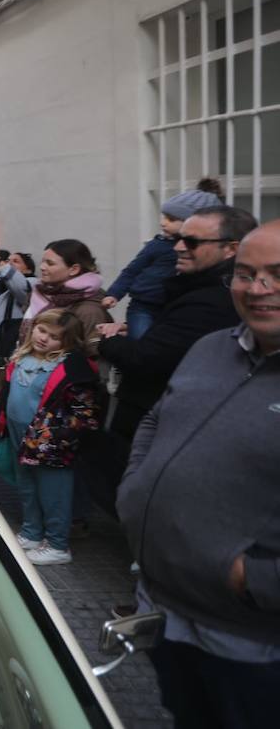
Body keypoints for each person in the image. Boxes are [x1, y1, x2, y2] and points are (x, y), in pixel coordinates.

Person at [116, 220, 280, 726]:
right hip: (170, 618)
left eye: (276, 274)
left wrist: (252, 578)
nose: (258, 289)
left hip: (253, 648)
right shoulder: (212, 347)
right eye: (246, 274)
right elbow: (157, 417)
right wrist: (135, 491)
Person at [82, 205, 257, 515]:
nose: (178, 247)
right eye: (178, 238)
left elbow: (149, 358)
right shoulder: (198, 291)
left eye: (191, 241)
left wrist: (108, 342)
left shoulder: (210, 300)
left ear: (231, 249)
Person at [0, 310, 100, 566]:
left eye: (54, 337)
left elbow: (84, 412)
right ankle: (32, 532)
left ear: (68, 341)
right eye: (42, 330)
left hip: (51, 443)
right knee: (26, 485)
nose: (44, 338)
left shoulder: (71, 367)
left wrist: (57, 434)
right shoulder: (22, 357)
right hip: (20, 435)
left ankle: (58, 544)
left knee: (54, 492)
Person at [103, 180, 223, 338]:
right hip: (144, 305)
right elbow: (132, 270)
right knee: (141, 340)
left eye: (171, 219)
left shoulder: (206, 251)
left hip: (173, 306)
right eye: (164, 217)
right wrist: (114, 294)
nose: (163, 223)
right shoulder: (157, 244)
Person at [22, 240, 111, 354]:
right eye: (43, 262)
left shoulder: (89, 310)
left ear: (74, 269)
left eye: (50, 263)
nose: (42, 267)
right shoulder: (39, 293)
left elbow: (94, 357)